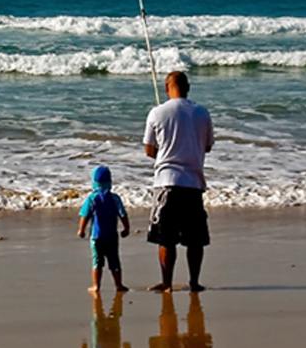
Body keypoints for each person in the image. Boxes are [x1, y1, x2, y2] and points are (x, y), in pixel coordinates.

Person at [143, 71, 214, 292]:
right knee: (195, 239)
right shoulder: (202, 113)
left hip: (166, 182)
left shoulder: (157, 112)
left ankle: (166, 283)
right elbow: (208, 146)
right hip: (193, 182)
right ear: (188, 87)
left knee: (166, 238)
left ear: (166, 88)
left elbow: (149, 149)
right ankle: (193, 282)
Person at [77, 165, 131, 293]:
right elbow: (123, 214)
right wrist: (126, 228)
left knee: (97, 262)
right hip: (112, 236)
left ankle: (96, 286)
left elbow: (85, 216)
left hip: (97, 237)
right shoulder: (115, 198)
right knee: (114, 261)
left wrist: (81, 230)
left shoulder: (92, 199)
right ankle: (119, 285)